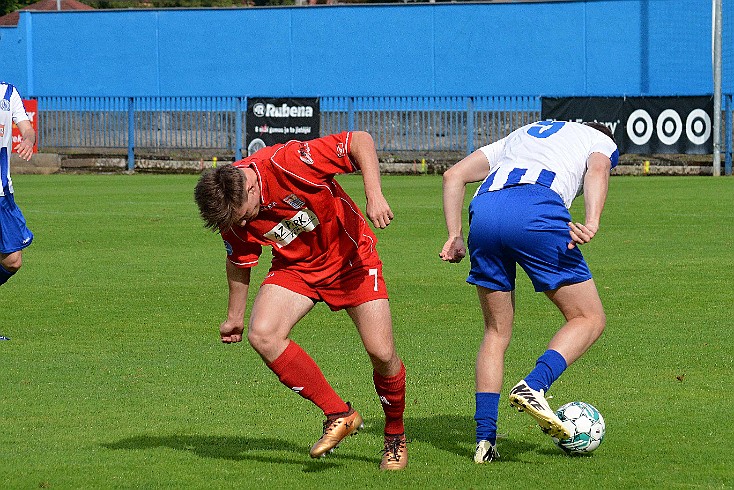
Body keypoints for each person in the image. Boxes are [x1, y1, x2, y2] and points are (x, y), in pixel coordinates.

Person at [194, 131, 408, 470]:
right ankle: (339, 413)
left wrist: (375, 195)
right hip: (297, 267)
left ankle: (394, 435)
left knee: (382, 353)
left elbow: (361, 141)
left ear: (250, 187)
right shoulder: (230, 207)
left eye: (243, 215)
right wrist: (234, 315)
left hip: (352, 260)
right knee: (262, 333)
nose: (244, 222)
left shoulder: (288, 162)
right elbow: (239, 260)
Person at [440, 120, 618, 463]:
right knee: (589, 317)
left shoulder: (523, 133)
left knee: (496, 331)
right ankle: (535, 384)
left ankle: (484, 441)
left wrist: (454, 234)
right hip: (536, 209)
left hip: (485, 214)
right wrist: (593, 220)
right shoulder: (599, 139)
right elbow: (598, 167)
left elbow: (453, 176)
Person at [1, 82, 35, 289]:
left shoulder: (8, 93)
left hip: (2, 192)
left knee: (13, 260)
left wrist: (28, 141)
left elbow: (28, 130)